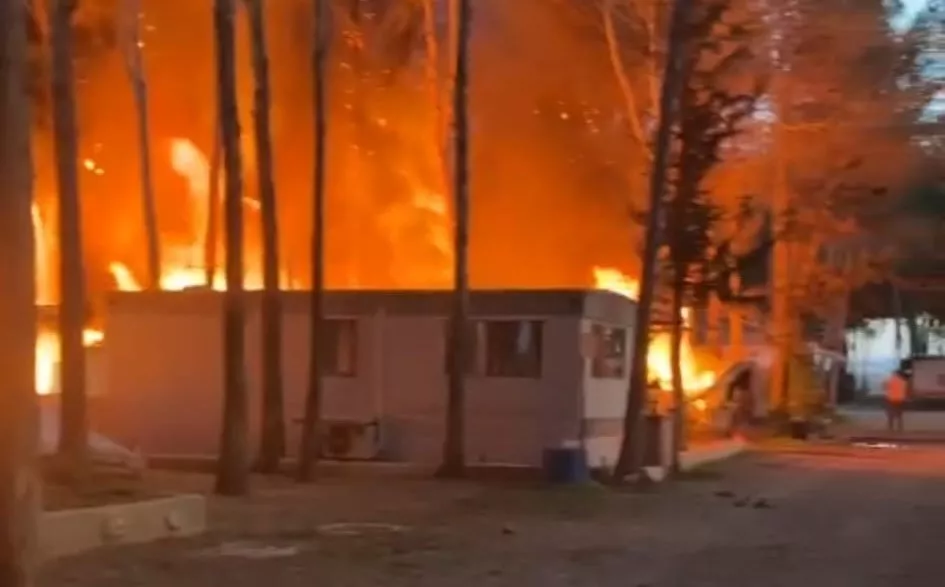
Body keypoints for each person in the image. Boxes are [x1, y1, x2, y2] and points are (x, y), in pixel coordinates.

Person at [884, 369, 908, 433]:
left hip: (890, 399)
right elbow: (905, 390)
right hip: (900, 399)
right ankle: (900, 428)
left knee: (890, 414)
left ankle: (890, 428)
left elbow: (885, 387)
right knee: (899, 415)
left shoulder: (889, 381)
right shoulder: (903, 381)